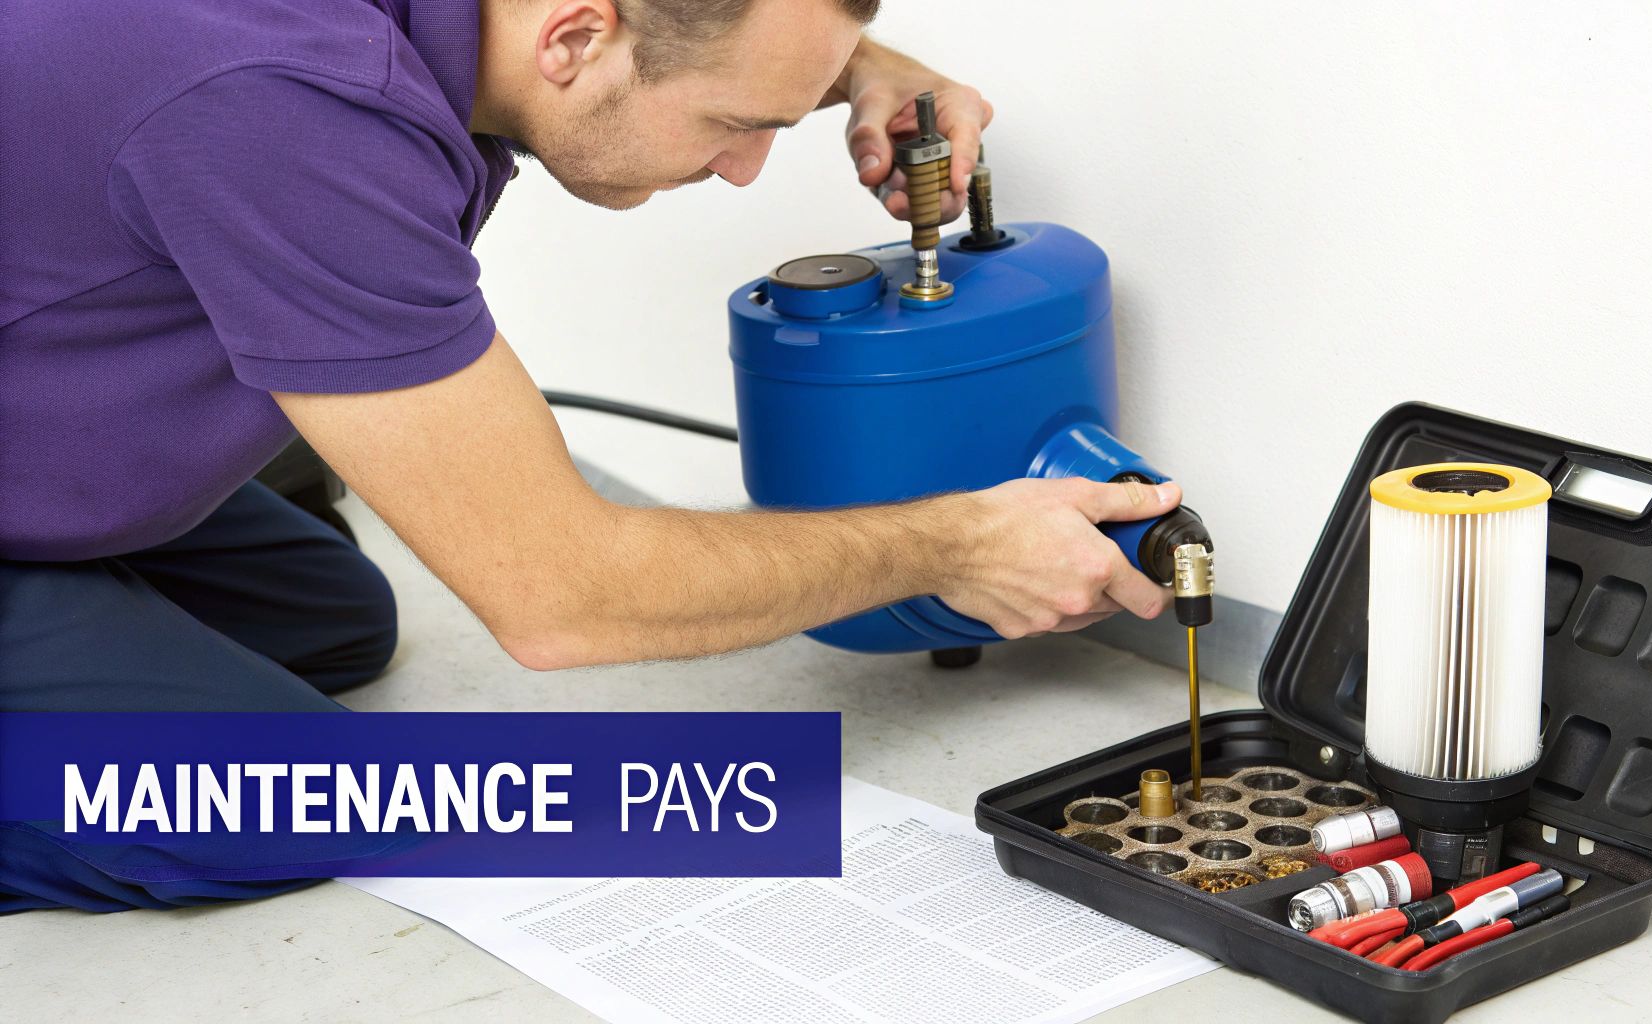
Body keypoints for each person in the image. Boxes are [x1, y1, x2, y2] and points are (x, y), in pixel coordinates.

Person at [0, 0, 1180, 911]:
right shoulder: (283, 107)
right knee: (296, 807)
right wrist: (955, 545)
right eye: (739, 123)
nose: (745, 167)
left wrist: (859, 66)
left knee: (335, 621)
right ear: (572, 37)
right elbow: (560, 598)